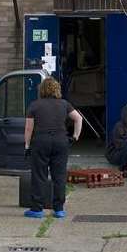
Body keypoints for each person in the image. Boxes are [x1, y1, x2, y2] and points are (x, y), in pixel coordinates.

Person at [23, 77, 82, 219]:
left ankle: (37, 209)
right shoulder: (64, 104)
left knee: (39, 175)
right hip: (61, 142)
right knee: (59, 176)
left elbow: (28, 128)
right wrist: (75, 136)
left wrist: (27, 145)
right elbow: (78, 118)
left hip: (40, 142)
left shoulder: (35, 105)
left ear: (41, 90)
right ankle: (59, 209)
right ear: (57, 89)